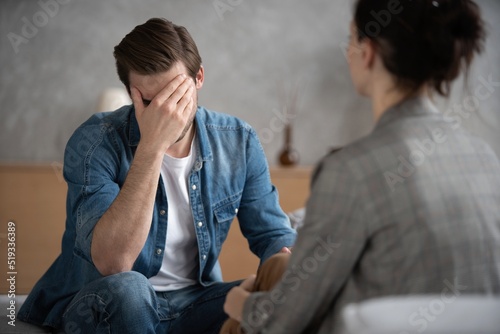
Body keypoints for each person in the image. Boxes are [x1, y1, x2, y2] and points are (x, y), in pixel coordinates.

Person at [222, 0, 500, 333]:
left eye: (351, 39)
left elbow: (285, 321)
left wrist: (239, 304)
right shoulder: (484, 157)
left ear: (367, 52)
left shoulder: (349, 170)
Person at [18, 18, 296, 334]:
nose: (167, 114)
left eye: (175, 96)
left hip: (196, 303)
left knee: (278, 280)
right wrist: (152, 146)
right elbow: (114, 264)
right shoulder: (95, 141)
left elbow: (272, 234)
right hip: (111, 302)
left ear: (199, 77)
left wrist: (284, 266)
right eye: (151, 103)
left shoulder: (238, 141)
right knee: (131, 288)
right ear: (131, 93)